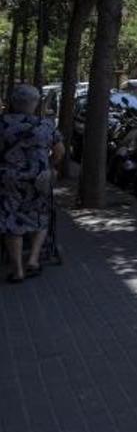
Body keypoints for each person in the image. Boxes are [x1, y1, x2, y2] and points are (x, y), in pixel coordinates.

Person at [1, 84, 64, 284]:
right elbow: (60, 151)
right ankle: (34, 260)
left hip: (9, 179)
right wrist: (48, 166)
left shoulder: (2, 124)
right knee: (41, 216)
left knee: (12, 220)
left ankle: (17, 269)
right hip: (39, 180)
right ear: (35, 104)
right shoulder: (45, 125)